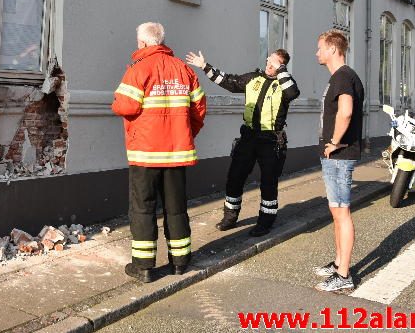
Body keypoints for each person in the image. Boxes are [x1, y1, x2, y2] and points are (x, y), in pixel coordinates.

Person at [112, 22, 207, 283]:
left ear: (142, 43)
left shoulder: (137, 69)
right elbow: (198, 111)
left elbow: (124, 106)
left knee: (143, 209)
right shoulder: (184, 70)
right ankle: (180, 262)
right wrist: (183, 135)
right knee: (176, 208)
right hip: (176, 153)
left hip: (146, 153)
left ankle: (144, 267)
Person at [186, 49, 299, 236]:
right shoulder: (253, 78)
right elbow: (229, 81)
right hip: (248, 137)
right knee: (235, 177)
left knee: (269, 183)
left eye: (275, 63)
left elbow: (293, 93)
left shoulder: (285, 84)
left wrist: (280, 70)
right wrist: (205, 67)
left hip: (271, 140)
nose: (269, 65)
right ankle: (230, 217)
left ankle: (265, 222)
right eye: (268, 61)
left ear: (282, 66)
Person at [312, 30, 364, 293]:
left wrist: (333, 141)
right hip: (337, 155)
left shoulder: (343, 76)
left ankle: (344, 275)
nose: (317, 52)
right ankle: (338, 263)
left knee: (341, 213)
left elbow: (345, 112)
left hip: (339, 156)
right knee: (336, 212)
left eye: (320, 48)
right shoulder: (344, 76)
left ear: (333, 49)